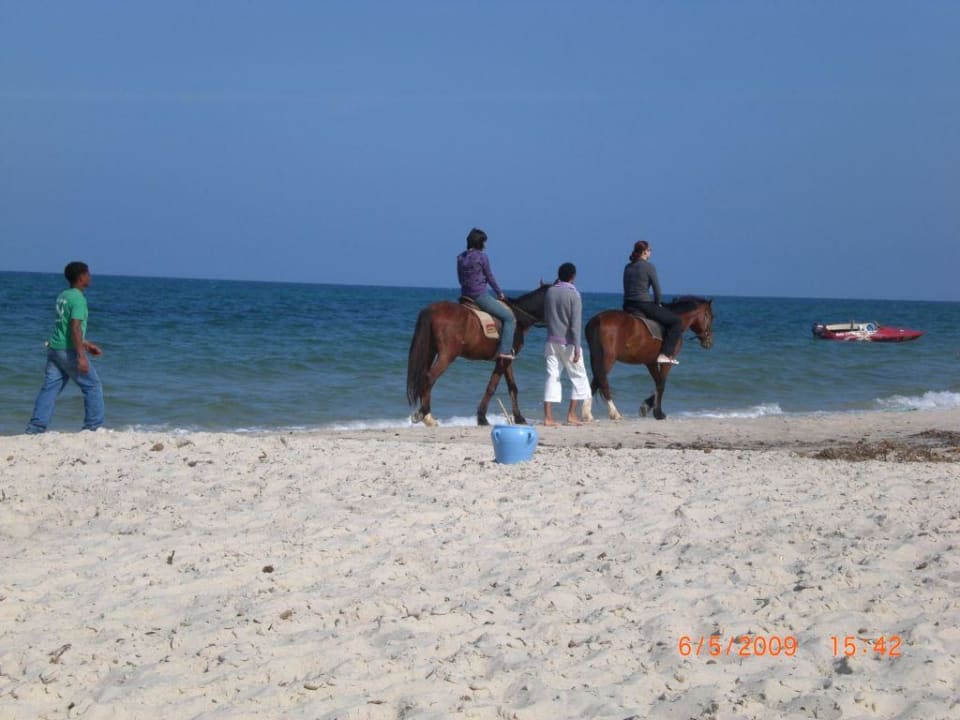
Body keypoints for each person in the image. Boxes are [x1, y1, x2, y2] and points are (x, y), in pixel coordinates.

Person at [25, 262, 105, 433]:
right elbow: (75, 327)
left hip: (54, 348)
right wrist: (82, 356)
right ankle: (93, 427)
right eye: (88, 274)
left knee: (50, 388)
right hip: (67, 350)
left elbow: (65, 327)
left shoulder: (63, 295)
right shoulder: (78, 299)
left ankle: (35, 428)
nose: (90, 277)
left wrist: (87, 344)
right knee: (92, 385)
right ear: (81, 277)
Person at [457, 228, 517, 360]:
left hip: (464, 296)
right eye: (484, 242)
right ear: (479, 242)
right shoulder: (482, 257)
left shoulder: (460, 257)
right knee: (509, 318)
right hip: (479, 296)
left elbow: (460, 279)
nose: (486, 245)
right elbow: (489, 276)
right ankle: (505, 351)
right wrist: (499, 293)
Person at [543, 262, 590, 426]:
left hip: (551, 340)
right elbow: (575, 324)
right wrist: (577, 347)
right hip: (568, 342)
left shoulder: (550, 291)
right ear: (573, 277)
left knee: (552, 377)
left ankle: (548, 417)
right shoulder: (574, 294)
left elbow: (547, 316)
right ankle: (571, 414)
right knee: (579, 377)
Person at [623, 240, 683, 365]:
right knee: (676, 322)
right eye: (650, 250)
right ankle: (665, 354)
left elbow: (626, 288)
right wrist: (657, 304)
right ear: (644, 251)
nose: (651, 252)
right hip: (644, 304)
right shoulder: (648, 267)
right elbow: (657, 290)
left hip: (628, 305)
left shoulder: (628, 267)